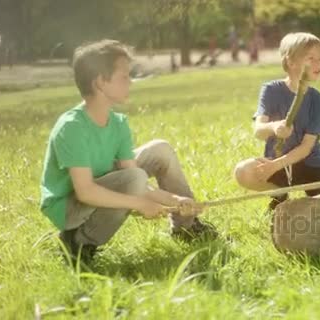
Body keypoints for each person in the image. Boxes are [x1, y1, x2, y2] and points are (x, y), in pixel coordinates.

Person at [40, 40, 213, 264]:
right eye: (124, 76)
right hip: (69, 208)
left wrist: (175, 200)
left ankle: (186, 227)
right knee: (134, 179)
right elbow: (86, 192)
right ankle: (79, 243)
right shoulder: (72, 127)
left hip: (102, 183)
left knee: (159, 150)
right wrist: (141, 204)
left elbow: (137, 182)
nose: (130, 81)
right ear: (101, 82)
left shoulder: (118, 123)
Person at [234, 32, 320, 210]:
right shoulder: (271, 90)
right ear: (291, 62)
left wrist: (275, 166)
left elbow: (306, 148)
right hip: (277, 164)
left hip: (311, 166)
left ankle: (313, 199)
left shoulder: (319, 101)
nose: (318, 64)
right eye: (311, 58)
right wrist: (273, 127)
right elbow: (259, 131)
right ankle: (280, 194)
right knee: (243, 171)